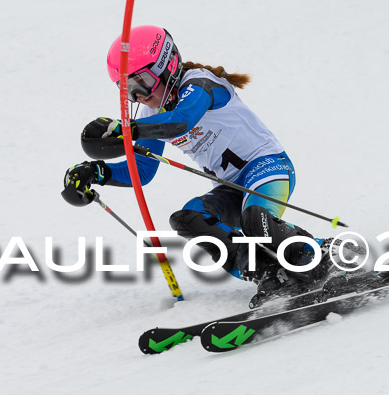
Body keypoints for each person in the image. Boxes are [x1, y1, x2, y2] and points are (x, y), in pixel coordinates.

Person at [63, 25, 344, 304]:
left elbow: (181, 120)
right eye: (128, 89)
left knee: (255, 219)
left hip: (267, 167)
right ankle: (269, 274)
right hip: (231, 188)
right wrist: (98, 171)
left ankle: (320, 254)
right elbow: (143, 171)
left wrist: (128, 129)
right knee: (187, 218)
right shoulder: (152, 112)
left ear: (168, 65)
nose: (139, 95)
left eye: (143, 82)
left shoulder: (199, 84)